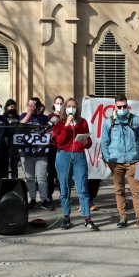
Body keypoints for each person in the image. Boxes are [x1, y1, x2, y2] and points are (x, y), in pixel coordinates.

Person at [100, 95, 139, 229]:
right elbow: (104, 142)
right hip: (116, 162)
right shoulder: (108, 122)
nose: (122, 109)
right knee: (119, 190)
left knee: (137, 191)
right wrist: (107, 158)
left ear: (128, 106)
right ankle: (123, 217)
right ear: (115, 107)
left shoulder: (136, 120)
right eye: (119, 107)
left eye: (124, 106)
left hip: (134, 161)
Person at [53, 98, 99, 231]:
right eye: (68, 106)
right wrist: (67, 125)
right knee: (65, 189)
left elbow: (89, 142)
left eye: (74, 106)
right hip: (63, 156)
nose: (71, 108)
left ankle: (87, 218)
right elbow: (60, 141)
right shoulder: (60, 123)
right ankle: (66, 218)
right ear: (64, 108)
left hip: (79, 156)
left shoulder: (82, 122)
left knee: (82, 188)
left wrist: (86, 142)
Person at [19, 97, 51, 210]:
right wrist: (29, 113)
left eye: (33, 106)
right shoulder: (23, 115)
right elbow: (19, 126)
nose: (31, 107)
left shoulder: (43, 118)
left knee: (42, 177)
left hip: (41, 152)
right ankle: (32, 199)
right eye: (29, 105)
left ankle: (44, 200)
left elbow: (49, 131)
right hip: (26, 152)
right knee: (30, 177)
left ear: (38, 106)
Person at [45, 95, 64, 203]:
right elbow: (45, 131)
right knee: (51, 173)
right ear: (53, 104)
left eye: (61, 103)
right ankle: (49, 195)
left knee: (62, 174)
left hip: (63, 148)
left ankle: (64, 196)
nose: (59, 105)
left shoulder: (66, 117)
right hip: (52, 147)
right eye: (57, 103)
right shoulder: (49, 117)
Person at [4, 98, 21, 178]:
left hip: (15, 145)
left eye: (14, 107)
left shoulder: (18, 118)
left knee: (14, 166)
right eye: (11, 107)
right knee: (5, 166)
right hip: (5, 145)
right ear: (7, 107)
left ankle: (15, 181)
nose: (13, 108)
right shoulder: (2, 118)